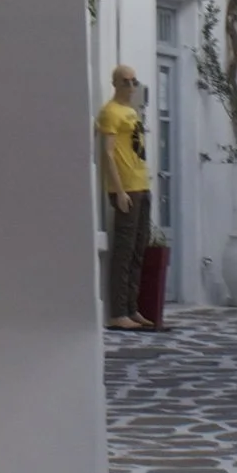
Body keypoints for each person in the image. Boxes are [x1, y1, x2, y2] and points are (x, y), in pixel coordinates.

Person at [96, 64, 154, 331]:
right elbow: (107, 153)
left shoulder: (131, 111)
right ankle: (118, 312)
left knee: (138, 249)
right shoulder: (110, 112)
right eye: (126, 81)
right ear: (115, 83)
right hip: (126, 187)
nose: (131, 87)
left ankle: (131, 307)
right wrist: (118, 191)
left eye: (134, 81)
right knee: (124, 249)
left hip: (141, 184)